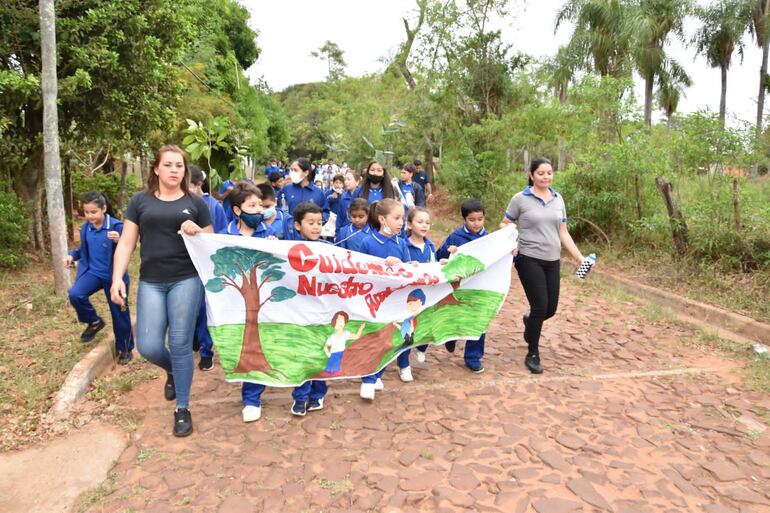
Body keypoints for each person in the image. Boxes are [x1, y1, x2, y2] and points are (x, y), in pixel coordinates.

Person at [111, 145, 213, 437]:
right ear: (156, 169)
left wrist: (196, 229)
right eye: (167, 165)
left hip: (186, 279)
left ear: (185, 170)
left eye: (179, 166)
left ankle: (182, 408)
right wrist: (117, 277)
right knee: (148, 346)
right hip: (152, 281)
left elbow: (211, 241)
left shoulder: (196, 203)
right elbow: (128, 242)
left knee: (180, 343)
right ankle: (172, 370)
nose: (173, 170)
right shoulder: (140, 202)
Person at [501, 157, 585, 374]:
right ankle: (533, 353)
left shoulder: (558, 199)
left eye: (549, 172)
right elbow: (506, 223)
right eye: (541, 173)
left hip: (552, 260)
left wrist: (579, 258)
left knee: (550, 308)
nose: (545, 176)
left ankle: (530, 323)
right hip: (529, 258)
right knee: (540, 305)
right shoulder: (520, 199)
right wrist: (513, 242)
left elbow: (563, 232)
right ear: (531, 175)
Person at [217, 183, 278, 423]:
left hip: (266, 302)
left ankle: (255, 395)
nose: (259, 211)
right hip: (236, 303)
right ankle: (251, 396)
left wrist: (276, 248)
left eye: (260, 206)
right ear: (237, 210)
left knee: (261, 343)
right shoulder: (222, 237)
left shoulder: (269, 234)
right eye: (251, 206)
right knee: (245, 345)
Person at [65, 191, 134, 364]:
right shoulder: (86, 228)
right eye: (86, 212)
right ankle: (94, 321)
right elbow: (83, 249)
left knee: (119, 313)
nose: (89, 216)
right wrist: (72, 255)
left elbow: (129, 246)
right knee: (75, 294)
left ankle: (125, 348)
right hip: (93, 273)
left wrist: (119, 240)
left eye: (93, 212)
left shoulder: (116, 226)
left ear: (103, 209)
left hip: (114, 277)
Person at [357, 199, 410, 400]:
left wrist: (402, 265)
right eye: (396, 218)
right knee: (373, 339)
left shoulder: (401, 243)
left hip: (394, 302)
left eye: (402, 219)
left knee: (389, 340)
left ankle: (378, 374)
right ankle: (368, 380)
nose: (401, 223)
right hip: (372, 302)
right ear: (382, 219)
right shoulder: (367, 242)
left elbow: (408, 271)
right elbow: (359, 271)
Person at [286, 201, 331, 415]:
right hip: (298, 314)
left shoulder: (329, 250)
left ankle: (318, 394)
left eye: (319, 223)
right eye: (310, 222)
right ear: (297, 225)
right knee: (302, 355)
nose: (316, 227)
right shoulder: (285, 249)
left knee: (321, 355)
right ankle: (300, 396)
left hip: (323, 314)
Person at [436, 198, 489, 374]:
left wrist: (512, 250)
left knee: (479, 319)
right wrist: (448, 252)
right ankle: (452, 337)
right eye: (472, 220)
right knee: (456, 314)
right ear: (464, 219)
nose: (476, 223)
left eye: (480, 219)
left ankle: (473, 357)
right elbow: (440, 257)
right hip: (459, 287)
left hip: (480, 287)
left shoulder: (489, 238)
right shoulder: (456, 237)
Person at [404, 207, 436, 365]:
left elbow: (434, 266)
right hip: (408, 296)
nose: (424, 225)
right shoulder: (403, 245)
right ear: (409, 225)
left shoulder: (430, 246)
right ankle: (404, 364)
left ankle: (422, 348)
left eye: (427, 223)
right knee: (408, 328)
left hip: (427, 294)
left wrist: (441, 264)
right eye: (420, 222)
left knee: (427, 323)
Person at [322, 311, 366, 376]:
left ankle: (335, 373)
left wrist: (361, 328)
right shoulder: (332, 336)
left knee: (337, 367)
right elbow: (326, 345)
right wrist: (327, 352)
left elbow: (356, 336)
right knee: (329, 366)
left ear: (345, 323)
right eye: (338, 320)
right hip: (333, 353)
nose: (340, 322)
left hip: (341, 353)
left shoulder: (345, 333)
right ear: (334, 322)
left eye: (342, 320)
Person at [190, 165, 227, 233]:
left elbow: (224, 230)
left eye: (187, 185)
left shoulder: (214, 206)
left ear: (199, 184)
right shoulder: (180, 202)